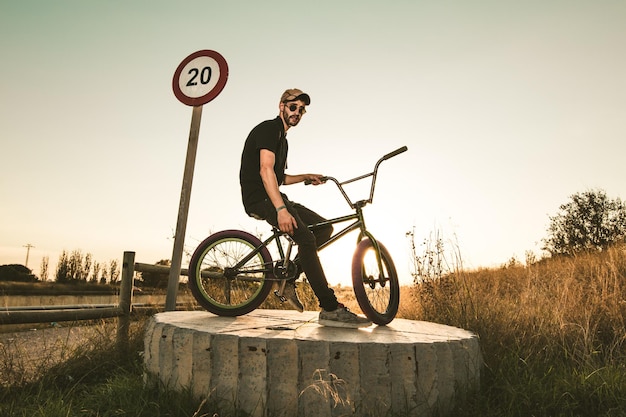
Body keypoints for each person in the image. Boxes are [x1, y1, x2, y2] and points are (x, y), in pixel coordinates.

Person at [239, 88, 371, 328]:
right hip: (261, 199)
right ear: (281, 106)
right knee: (307, 239)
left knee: (324, 229)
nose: (297, 112)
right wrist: (281, 210)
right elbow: (265, 171)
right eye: (293, 107)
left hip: (274, 195)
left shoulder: (282, 140)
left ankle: (289, 276)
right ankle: (330, 308)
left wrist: (306, 176)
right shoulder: (270, 129)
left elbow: (279, 178)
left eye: (302, 110)